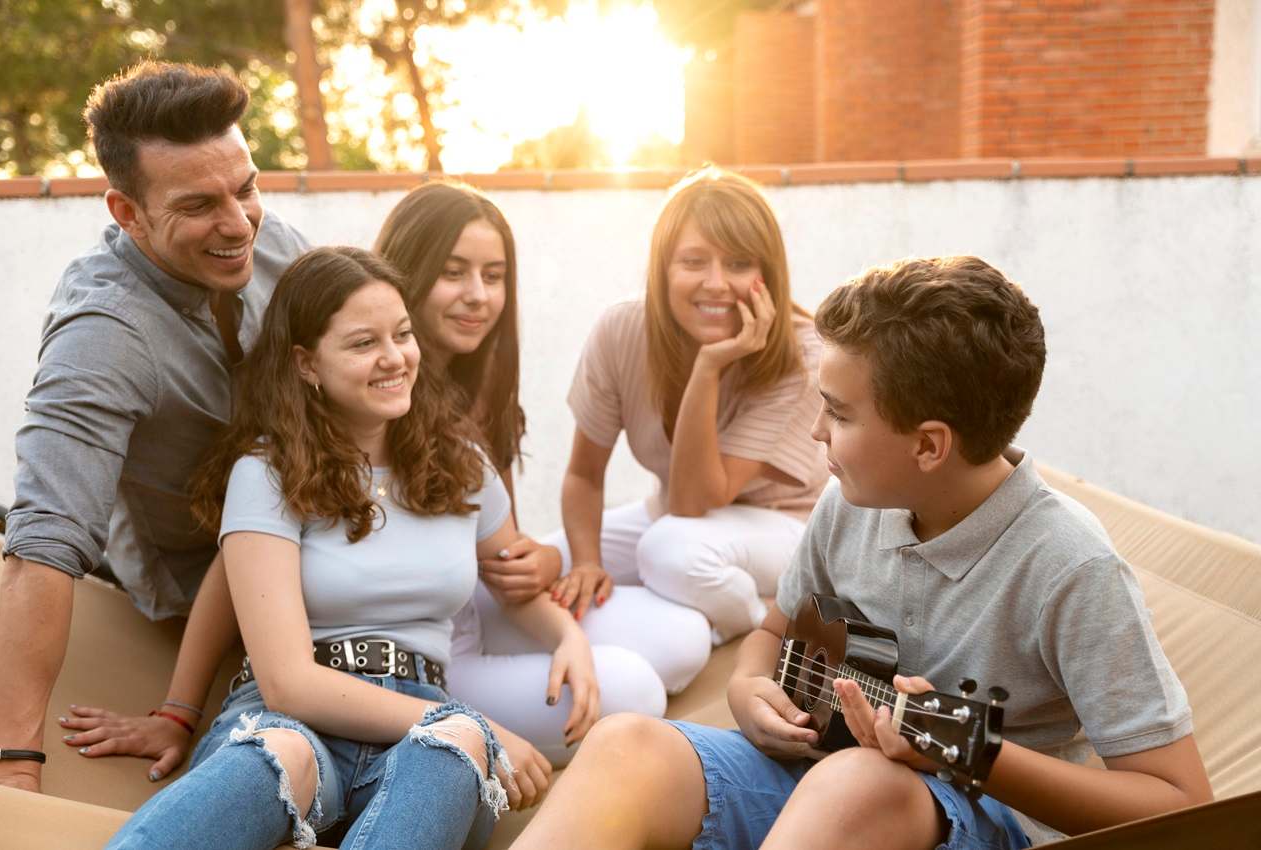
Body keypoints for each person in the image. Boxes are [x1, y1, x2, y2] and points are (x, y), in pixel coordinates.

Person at [507, 256, 1214, 850]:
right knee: (628, 744)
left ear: (929, 445)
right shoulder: (848, 505)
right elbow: (772, 634)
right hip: (826, 780)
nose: (816, 431)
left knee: (858, 784)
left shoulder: (1070, 567)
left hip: (983, 819)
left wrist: (969, 752)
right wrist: (747, 687)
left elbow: (1178, 801)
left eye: (840, 414)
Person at [106, 246, 595, 850]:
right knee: (280, 752)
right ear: (307, 364)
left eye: (403, 335)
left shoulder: (463, 467)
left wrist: (567, 636)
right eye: (365, 343)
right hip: (297, 714)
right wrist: (481, 723)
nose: (395, 358)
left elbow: (512, 576)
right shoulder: (266, 473)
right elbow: (287, 682)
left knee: (456, 746)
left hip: (426, 723)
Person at [0, 60, 308, 794]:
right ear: (126, 212)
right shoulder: (103, 332)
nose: (238, 223)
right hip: (205, 604)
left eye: (247, 187)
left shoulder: (271, 239)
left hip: (322, 550)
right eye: (199, 205)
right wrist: (11, 764)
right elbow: (44, 542)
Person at [373, 182, 673, 763]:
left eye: (494, 275)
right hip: (420, 661)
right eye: (453, 272)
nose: (477, 296)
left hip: (475, 610)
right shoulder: (375, 394)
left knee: (673, 647)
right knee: (635, 687)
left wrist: (555, 562)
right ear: (408, 272)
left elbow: (502, 551)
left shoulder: (482, 387)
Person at [547, 165, 827, 663]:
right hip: (674, 514)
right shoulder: (621, 330)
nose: (716, 284)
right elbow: (584, 476)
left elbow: (697, 500)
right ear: (663, 269)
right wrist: (587, 563)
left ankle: (762, 623)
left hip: (786, 528)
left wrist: (710, 366)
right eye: (694, 261)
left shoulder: (801, 354)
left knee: (669, 551)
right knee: (546, 565)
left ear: (768, 274)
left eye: (739, 263)